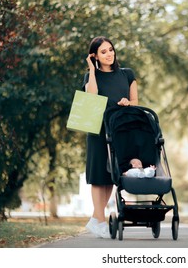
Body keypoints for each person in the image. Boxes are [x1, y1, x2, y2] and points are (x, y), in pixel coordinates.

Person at [83, 36, 138, 238]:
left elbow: (136, 102)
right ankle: (99, 219)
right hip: (98, 129)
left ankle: (95, 220)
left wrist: (127, 102)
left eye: (111, 50)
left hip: (120, 130)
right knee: (98, 175)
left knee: (111, 176)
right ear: (95, 56)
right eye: (103, 52)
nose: (109, 54)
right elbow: (92, 97)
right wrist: (91, 69)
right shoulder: (91, 76)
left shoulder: (127, 74)